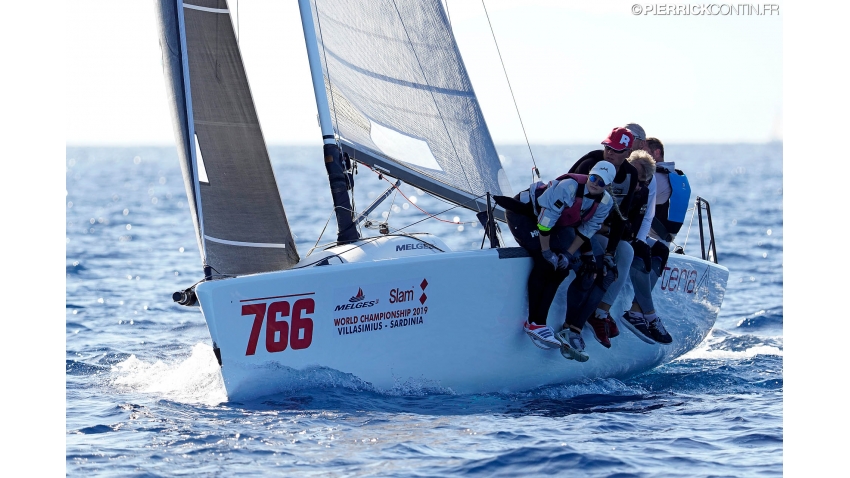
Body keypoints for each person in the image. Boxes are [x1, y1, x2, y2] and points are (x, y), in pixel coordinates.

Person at [495, 161, 616, 356]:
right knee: (545, 264)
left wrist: (568, 255)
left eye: (601, 182)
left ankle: (538, 323)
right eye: (593, 178)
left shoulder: (605, 203)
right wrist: (546, 252)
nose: (595, 183)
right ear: (589, 176)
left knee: (562, 268)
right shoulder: (568, 187)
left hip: (549, 224)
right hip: (523, 215)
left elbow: (586, 231)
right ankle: (535, 323)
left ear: (607, 186)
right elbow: (545, 223)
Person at [567, 126, 642, 347]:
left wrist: (612, 252)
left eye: (616, 150)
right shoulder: (589, 164)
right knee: (597, 263)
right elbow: (571, 207)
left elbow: (622, 217)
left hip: (601, 228)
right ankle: (577, 319)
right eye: (608, 147)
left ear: (628, 153)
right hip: (576, 227)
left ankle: (601, 312)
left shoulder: (631, 174)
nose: (609, 152)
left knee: (625, 252)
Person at [621, 137, 691, 344]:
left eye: (642, 149)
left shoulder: (655, 179)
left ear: (657, 153)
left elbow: (647, 209)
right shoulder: (675, 176)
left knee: (644, 255)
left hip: (645, 239)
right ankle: (644, 314)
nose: (635, 152)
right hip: (657, 239)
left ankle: (636, 312)